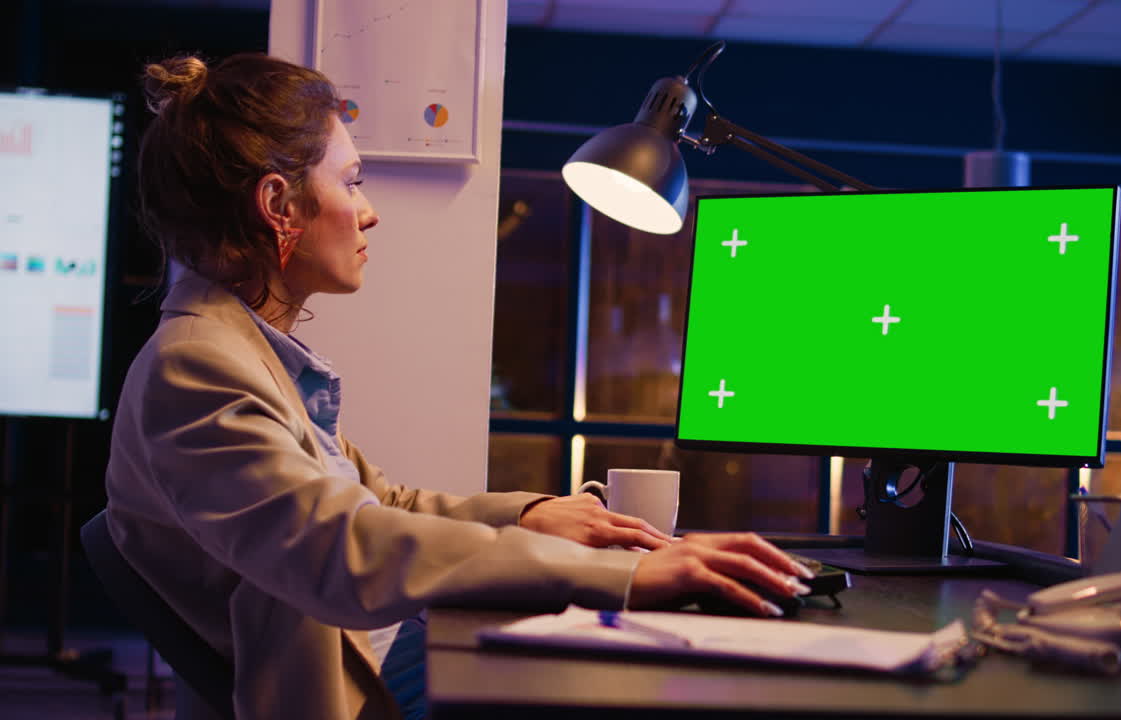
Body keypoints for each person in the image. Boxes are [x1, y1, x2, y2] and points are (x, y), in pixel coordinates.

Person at [104, 53, 813, 720]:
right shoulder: (198, 369)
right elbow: (342, 550)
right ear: (278, 204)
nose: (368, 210)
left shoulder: (248, 352)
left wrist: (531, 514)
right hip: (360, 693)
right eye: (350, 182)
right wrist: (616, 577)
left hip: (390, 655)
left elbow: (380, 502)